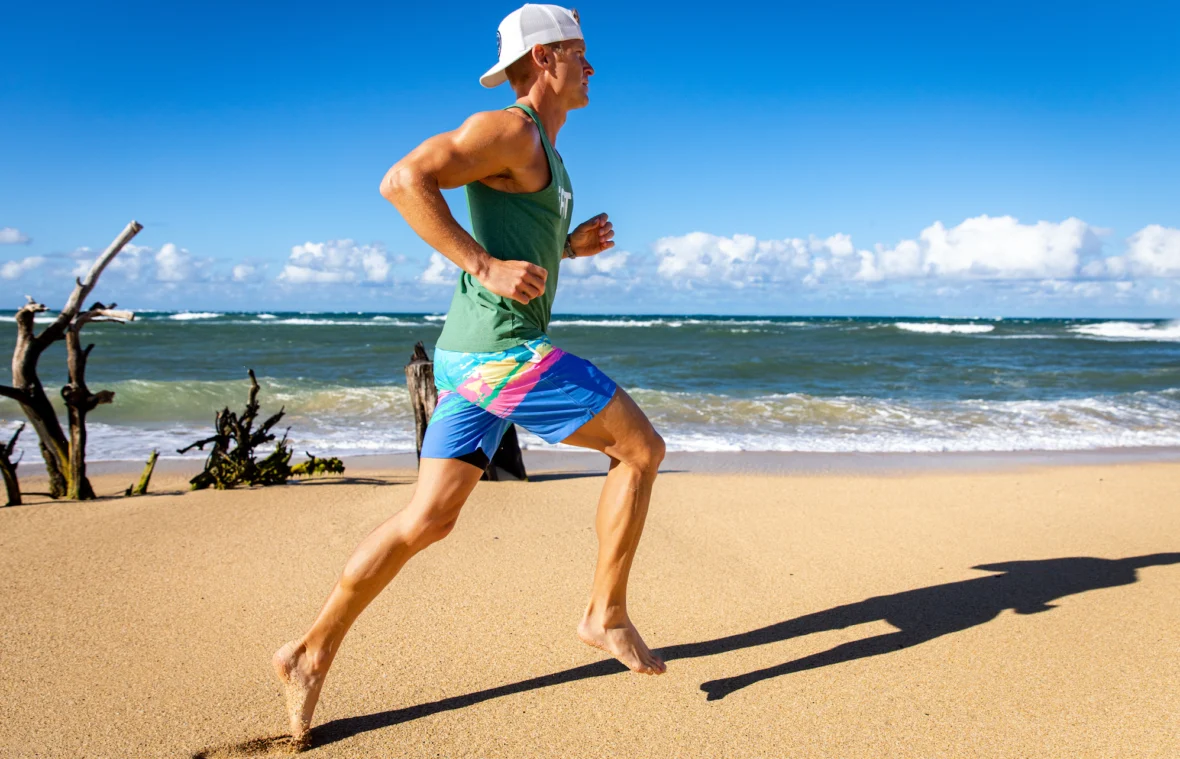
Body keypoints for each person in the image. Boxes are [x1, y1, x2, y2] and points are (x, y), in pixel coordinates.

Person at [272, 4, 667, 743]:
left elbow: (516, 232)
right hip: (499, 355)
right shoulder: (511, 127)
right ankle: (603, 613)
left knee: (430, 518)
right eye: (580, 53)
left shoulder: (543, 146)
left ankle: (308, 650)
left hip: (465, 360)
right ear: (546, 59)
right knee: (641, 449)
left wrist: (567, 249)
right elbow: (403, 180)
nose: (591, 67)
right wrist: (482, 264)